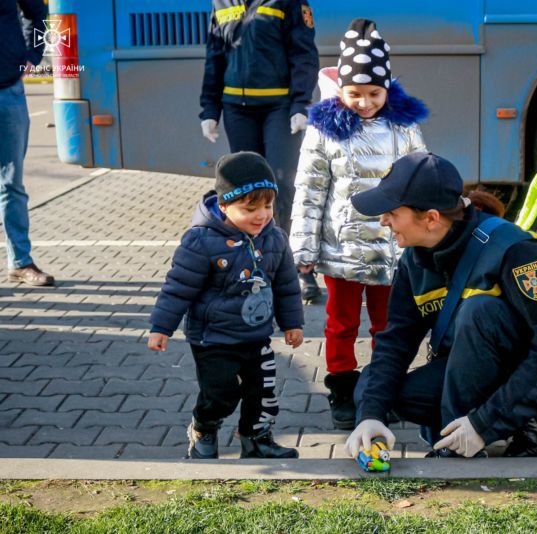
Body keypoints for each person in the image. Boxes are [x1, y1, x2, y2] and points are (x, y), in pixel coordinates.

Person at [343, 152, 537, 459]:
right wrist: (370, 416)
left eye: (392, 212)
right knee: (372, 390)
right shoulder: (414, 259)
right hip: (483, 358)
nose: (383, 220)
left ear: (431, 218)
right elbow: (396, 342)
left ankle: (526, 414)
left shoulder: (517, 253)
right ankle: (475, 423)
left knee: (480, 310)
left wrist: (483, 425)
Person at [289, 18, 428, 430]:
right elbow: (309, 191)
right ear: (340, 89)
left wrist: (427, 240)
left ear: (387, 89)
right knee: (341, 323)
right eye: (355, 94)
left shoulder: (404, 126)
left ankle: (385, 388)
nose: (365, 102)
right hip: (342, 250)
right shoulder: (324, 130)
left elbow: (422, 180)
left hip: (392, 249)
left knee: (389, 325)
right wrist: (304, 248)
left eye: (373, 93)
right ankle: (343, 390)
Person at [148, 151, 304, 460]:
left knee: (263, 393)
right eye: (250, 208)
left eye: (268, 206)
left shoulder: (274, 239)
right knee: (222, 394)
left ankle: (256, 438)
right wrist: (161, 327)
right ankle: (204, 426)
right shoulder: (201, 241)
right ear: (223, 206)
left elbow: (286, 286)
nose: (261, 215)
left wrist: (292, 323)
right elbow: (178, 289)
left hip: (256, 335)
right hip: (213, 339)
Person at [199, 0, 319, 243]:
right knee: (246, 186)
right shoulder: (220, 3)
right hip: (237, 110)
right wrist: (210, 109)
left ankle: (282, 251)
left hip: (280, 108)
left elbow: (303, 53)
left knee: (280, 184)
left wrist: (300, 103)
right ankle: (251, 253)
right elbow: (214, 57)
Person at [1, 0, 55, 286]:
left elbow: (37, 13)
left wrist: (33, 54)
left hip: (8, 92)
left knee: (12, 183)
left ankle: (20, 262)